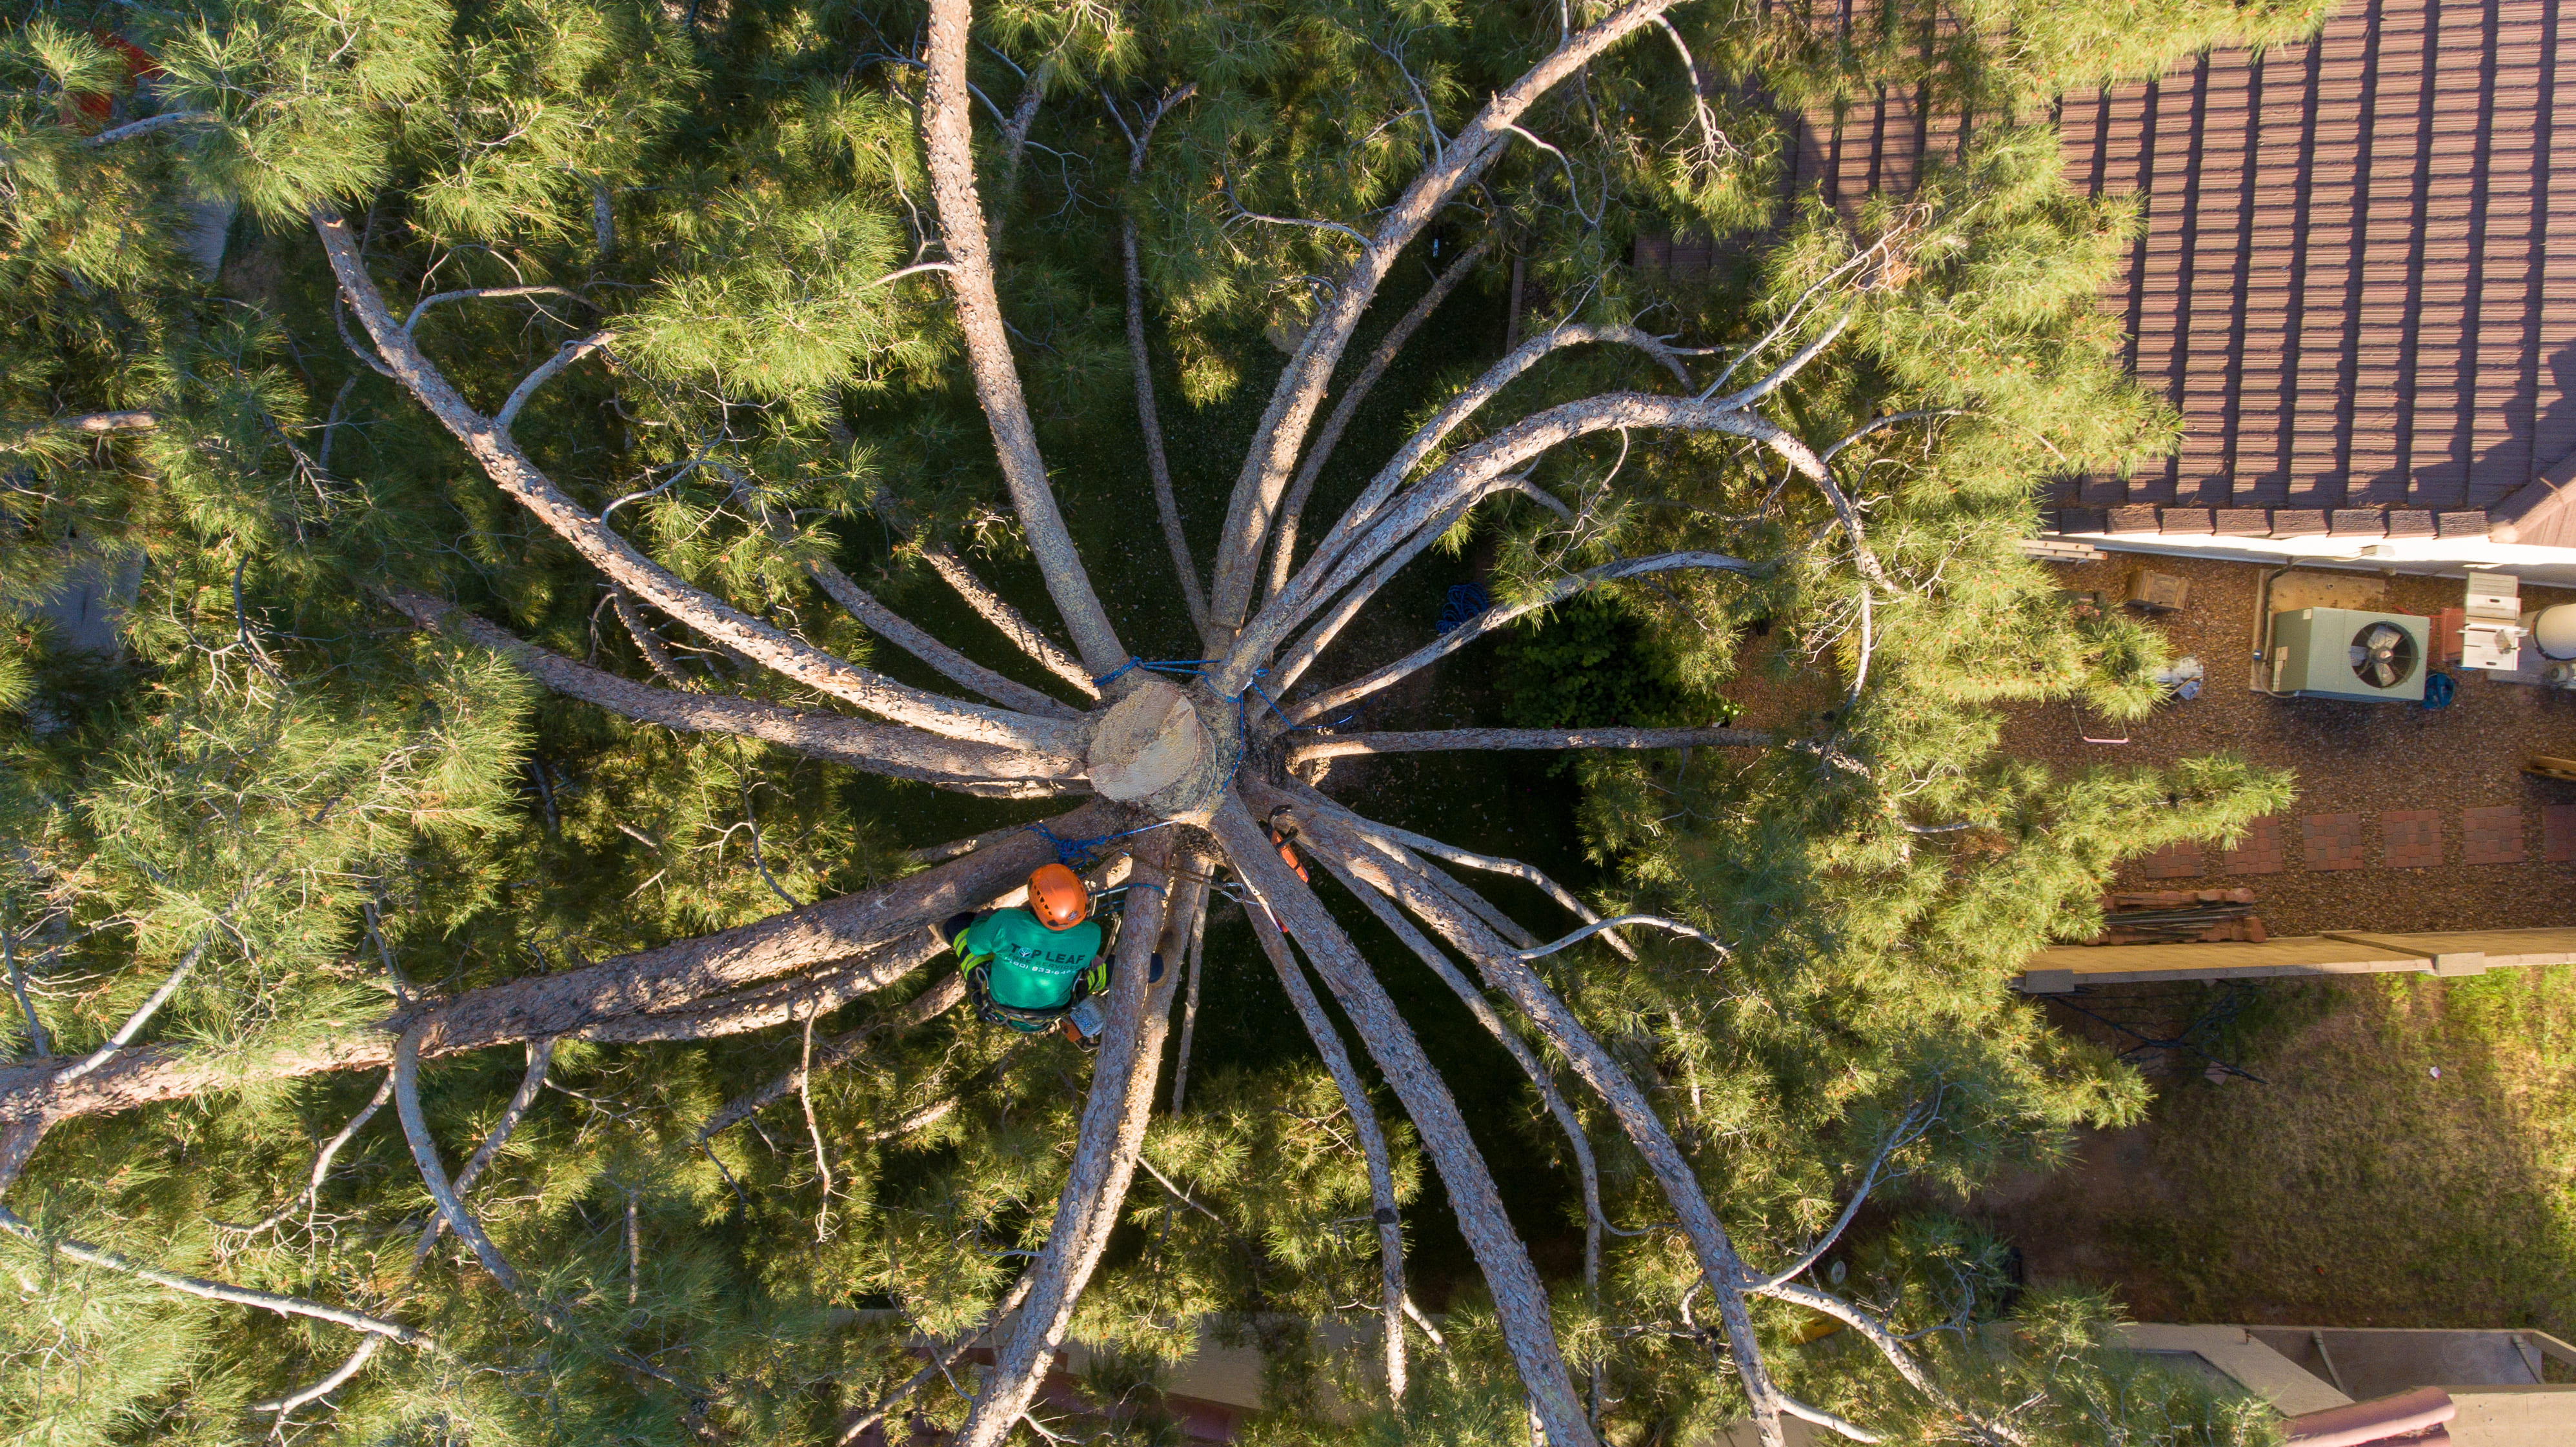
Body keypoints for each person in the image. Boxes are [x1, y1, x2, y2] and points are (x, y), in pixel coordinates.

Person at [939, 863, 1157, 1042]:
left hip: (998, 1002)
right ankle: (1158, 971)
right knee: (1147, 968)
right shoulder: (1090, 934)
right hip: (1053, 1006)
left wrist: (984, 920)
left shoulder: (1007, 922)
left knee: (957, 925)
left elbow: (977, 945)